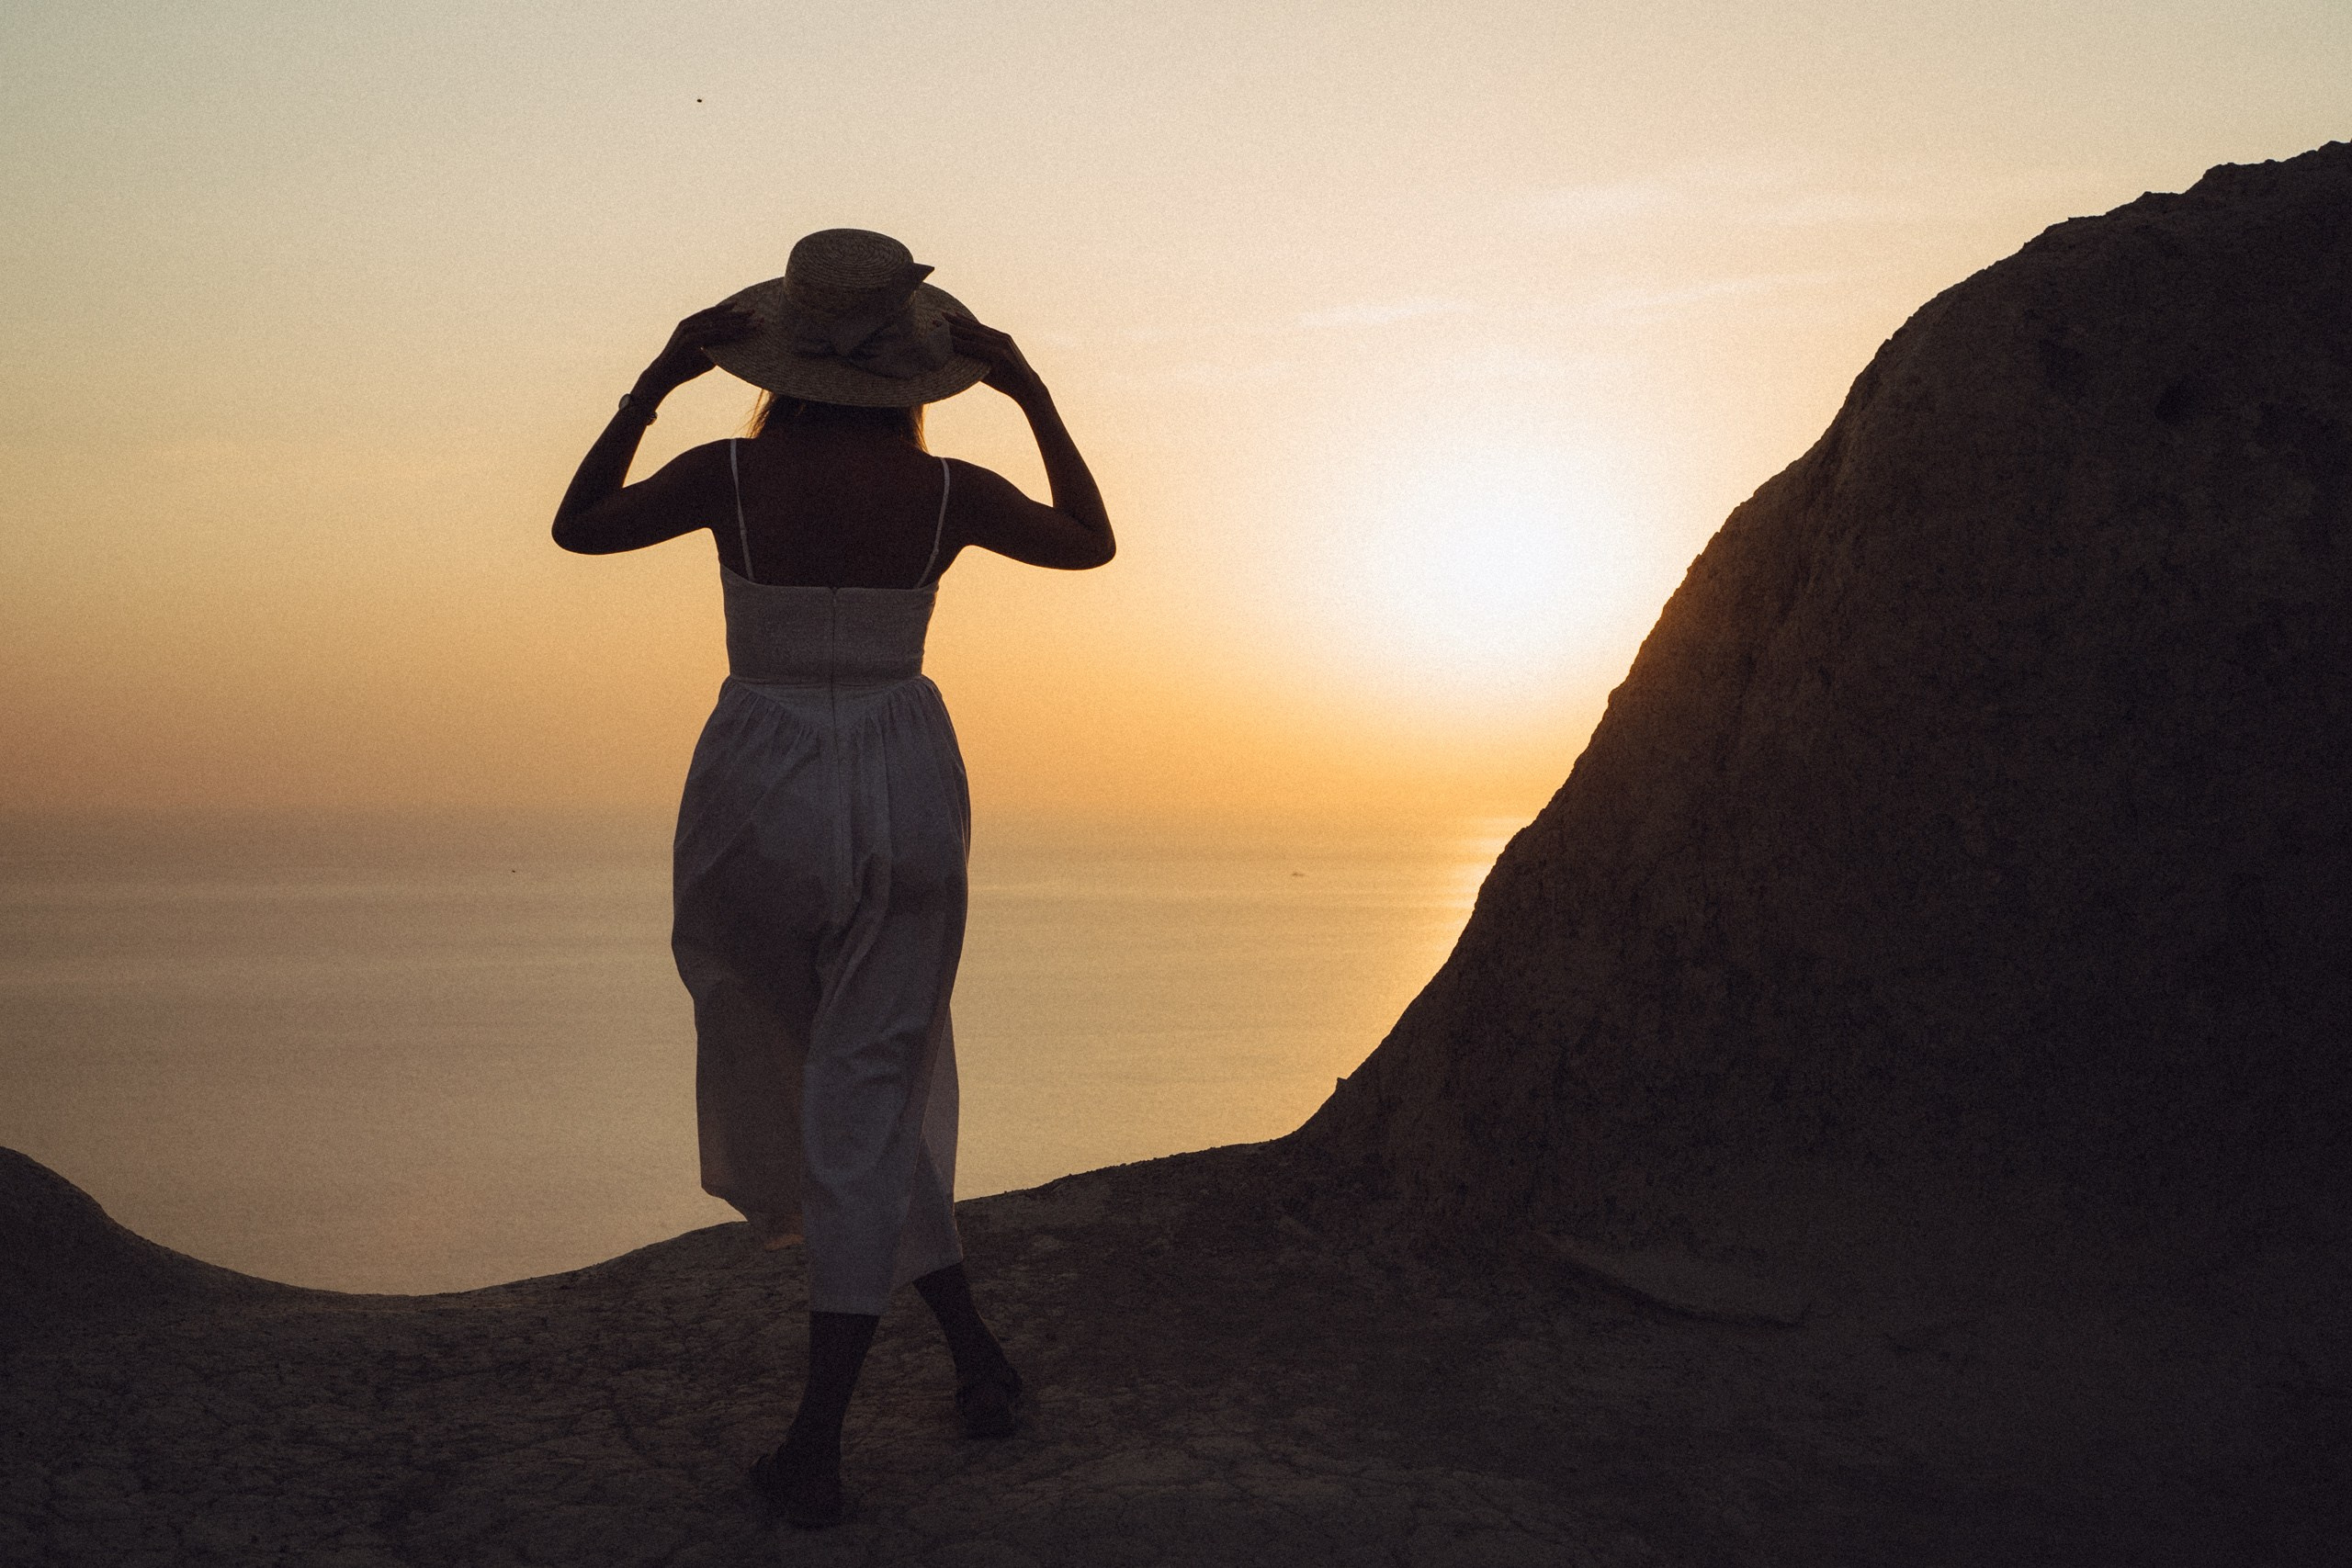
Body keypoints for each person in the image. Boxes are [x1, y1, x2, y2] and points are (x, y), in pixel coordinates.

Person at [549, 229, 1114, 1529]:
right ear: (913, 372)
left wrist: (654, 383)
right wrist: (1032, 393)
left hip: (759, 782)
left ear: (779, 355)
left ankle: (848, 1428)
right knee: (873, 1085)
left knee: (841, 1083)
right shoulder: (948, 491)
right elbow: (1089, 542)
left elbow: (578, 528)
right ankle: (956, 1371)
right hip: (906, 776)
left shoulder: (729, 474)